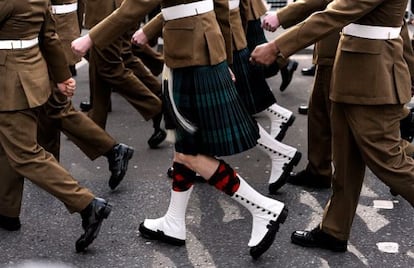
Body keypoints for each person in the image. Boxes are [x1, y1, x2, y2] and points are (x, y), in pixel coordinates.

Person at [72, 0, 288, 259]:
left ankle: (263, 208)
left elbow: (137, 4)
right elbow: (221, 5)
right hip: (207, 48)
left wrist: (91, 39)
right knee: (183, 149)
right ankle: (174, 221)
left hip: (188, 54)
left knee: (190, 154)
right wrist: (225, 56)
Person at [251, 0, 414, 251]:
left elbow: (336, 13)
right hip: (353, 71)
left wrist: (278, 47)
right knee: (345, 159)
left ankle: (334, 229)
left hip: (375, 78)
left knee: (390, 162)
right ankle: (334, 229)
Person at [262, 0, 414, 189]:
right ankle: (319, 173)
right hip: (344, 48)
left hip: (349, 52)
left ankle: (319, 171)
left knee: (377, 147)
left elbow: (334, 12)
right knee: (332, 129)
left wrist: (278, 42)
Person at [0, 0, 111, 252]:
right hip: (26, 75)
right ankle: (6, 211)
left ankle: (87, 204)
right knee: (6, 147)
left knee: (26, 154)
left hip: (10, 81)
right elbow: (48, 36)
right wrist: (62, 77)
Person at [80, 0, 166, 148]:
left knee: (109, 66)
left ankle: (154, 106)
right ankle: (95, 126)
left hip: (108, 8)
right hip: (107, 8)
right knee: (102, 63)